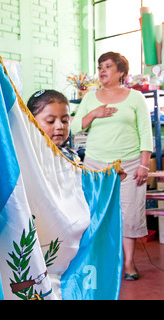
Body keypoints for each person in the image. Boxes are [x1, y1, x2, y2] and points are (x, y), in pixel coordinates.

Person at [70, 51, 153, 281]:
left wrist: (144, 165)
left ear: (121, 72)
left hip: (129, 163)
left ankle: (128, 264)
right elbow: (75, 127)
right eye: (100, 67)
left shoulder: (135, 98)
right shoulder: (89, 98)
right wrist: (94, 113)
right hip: (96, 164)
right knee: (95, 212)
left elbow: (145, 132)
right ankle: (99, 260)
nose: (102, 71)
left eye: (107, 66)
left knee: (129, 214)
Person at [27, 89, 81, 163]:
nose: (60, 126)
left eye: (65, 120)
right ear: (31, 122)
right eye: (50, 121)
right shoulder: (29, 160)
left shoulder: (70, 157)